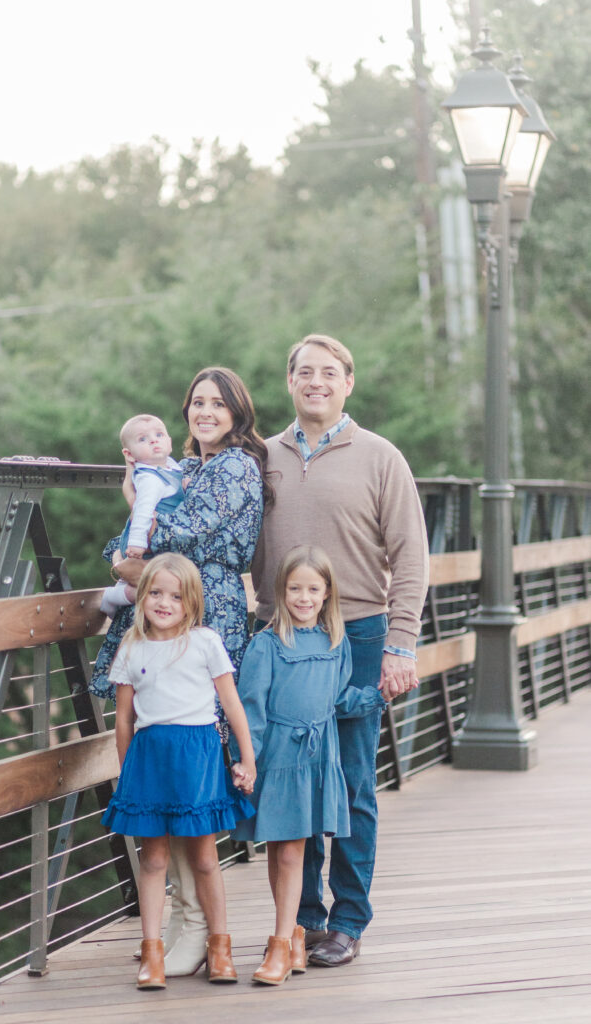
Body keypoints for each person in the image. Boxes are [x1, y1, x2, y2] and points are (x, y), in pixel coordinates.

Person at [251, 334, 429, 968]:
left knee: (351, 785)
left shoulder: (381, 457)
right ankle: (300, 921)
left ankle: (348, 920)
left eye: (329, 372)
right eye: (305, 371)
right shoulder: (262, 456)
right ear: (289, 381)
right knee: (292, 780)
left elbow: (410, 558)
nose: (316, 381)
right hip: (282, 638)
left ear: (348, 383)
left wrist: (401, 644)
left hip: (358, 634)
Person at [90, 367, 270, 975]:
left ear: (237, 412)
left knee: (203, 748)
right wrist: (125, 553)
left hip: (207, 608)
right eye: (196, 402)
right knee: (157, 732)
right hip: (165, 607)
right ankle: (180, 918)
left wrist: (132, 550)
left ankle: (197, 926)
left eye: (218, 404)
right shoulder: (185, 467)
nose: (205, 413)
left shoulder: (238, 466)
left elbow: (180, 533)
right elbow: (131, 544)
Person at [231, 545, 387, 986]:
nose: (303, 597)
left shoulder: (336, 644)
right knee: (280, 848)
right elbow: (251, 708)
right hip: (279, 760)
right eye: (295, 588)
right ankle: (293, 933)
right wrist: (246, 760)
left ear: (326, 594)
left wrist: (379, 695)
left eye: (313, 589)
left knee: (295, 848)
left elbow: (339, 700)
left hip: (318, 761)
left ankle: (284, 943)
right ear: (281, 592)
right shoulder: (266, 645)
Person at [101, 553, 257, 990]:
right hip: (150, 759)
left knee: (205, 857)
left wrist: (247, 758)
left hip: (198, 757)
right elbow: (123, 721)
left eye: (176, 595)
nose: (164, 603)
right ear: (142, 597)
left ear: (191, 602)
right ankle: (151, 951)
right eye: (155, 593)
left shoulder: (205, 642)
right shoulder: (131, 647)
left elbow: (231, 705)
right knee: (152, 858)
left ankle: (220, 949)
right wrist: (127, 773)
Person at [100, 413, 185, 618]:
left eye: (159, 435)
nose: (154, 440)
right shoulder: (149, 479)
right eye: (143, 439)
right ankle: (115, 596)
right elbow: (142, 511)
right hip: (142, 543)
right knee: (153, 588)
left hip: (157, 539)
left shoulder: (171, 467)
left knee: (161, 586)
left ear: (170, 443)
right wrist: (137, 543)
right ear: (130, 455)